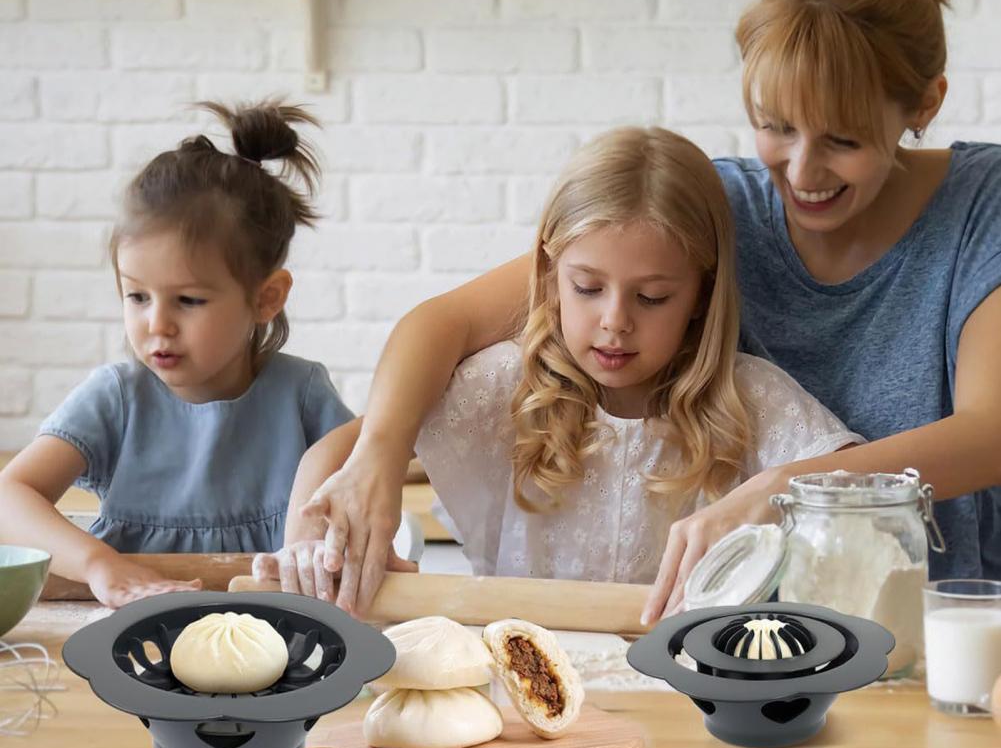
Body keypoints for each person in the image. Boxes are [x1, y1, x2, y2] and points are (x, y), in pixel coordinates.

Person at [274, 0, 1001, 623]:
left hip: (952, 612)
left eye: (841, 139)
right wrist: (371, 463)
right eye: (776, 127)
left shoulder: (980, 206)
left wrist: (786, 488)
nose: (800, 170)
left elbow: (989, 431)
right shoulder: (716, 207)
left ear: (924, 104)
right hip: (775, 631)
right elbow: (448, 323)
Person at [261, 127, 857, 614]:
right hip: (517, 699)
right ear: (548, 273)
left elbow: (862, 493)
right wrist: (314, 548)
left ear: (702, 293)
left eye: (652, 298)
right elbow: (341, 455)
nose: (615, 322)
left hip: (689, 710)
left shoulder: (751, 401)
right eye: (588, 287)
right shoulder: (502, 387)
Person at [0, 101, 355, 608]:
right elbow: (10, 495)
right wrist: (100, 564)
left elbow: (361, 490)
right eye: (137, 296)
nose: (156, 324)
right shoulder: (115, 399)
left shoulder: (302, 396)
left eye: (188, 300)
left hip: (271, 640)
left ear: (266, 298)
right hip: (129, 639)